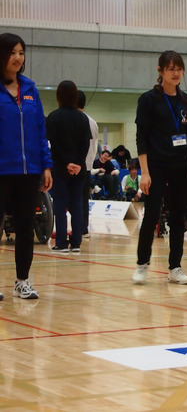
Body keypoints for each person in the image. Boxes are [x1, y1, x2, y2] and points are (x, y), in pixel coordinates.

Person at [131, 50, 187, 285]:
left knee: (178, 217)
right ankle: (142, 264)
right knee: (152, 215)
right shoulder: (148, 100)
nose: (175, 73)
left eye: (179, 68)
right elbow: (141, 138)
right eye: (170, 68)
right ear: (160, 71)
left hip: (180, 166)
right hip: (156, 166)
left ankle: (175, 267)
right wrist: (145, 172)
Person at [0, 32, 53, 300]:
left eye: (21, 53)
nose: (18, 58)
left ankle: (22, 281)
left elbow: (39, 130)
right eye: (13, 52)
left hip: (29, 171)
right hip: (1, 170)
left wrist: (45, 165)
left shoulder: (30, 89)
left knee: (25, 226)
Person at [46, 80, 92, 253]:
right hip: (79, 169)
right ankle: (76, 243)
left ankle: (61, 243)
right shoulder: (82, 118)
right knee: (77, 203)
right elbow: (85, 144)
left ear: (58, 96)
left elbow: (53, 144)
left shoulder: (53, 117)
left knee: (60, 203)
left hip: (59, 167)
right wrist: (78, 163)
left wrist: (66, 163)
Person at [78, 91, 98, 238]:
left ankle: (77, 228)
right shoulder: (93, 121)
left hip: (76, 165)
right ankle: (83, 228)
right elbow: (95, 145)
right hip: (87, 166)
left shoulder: (74, 119)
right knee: (83, 198)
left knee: (74, 197)